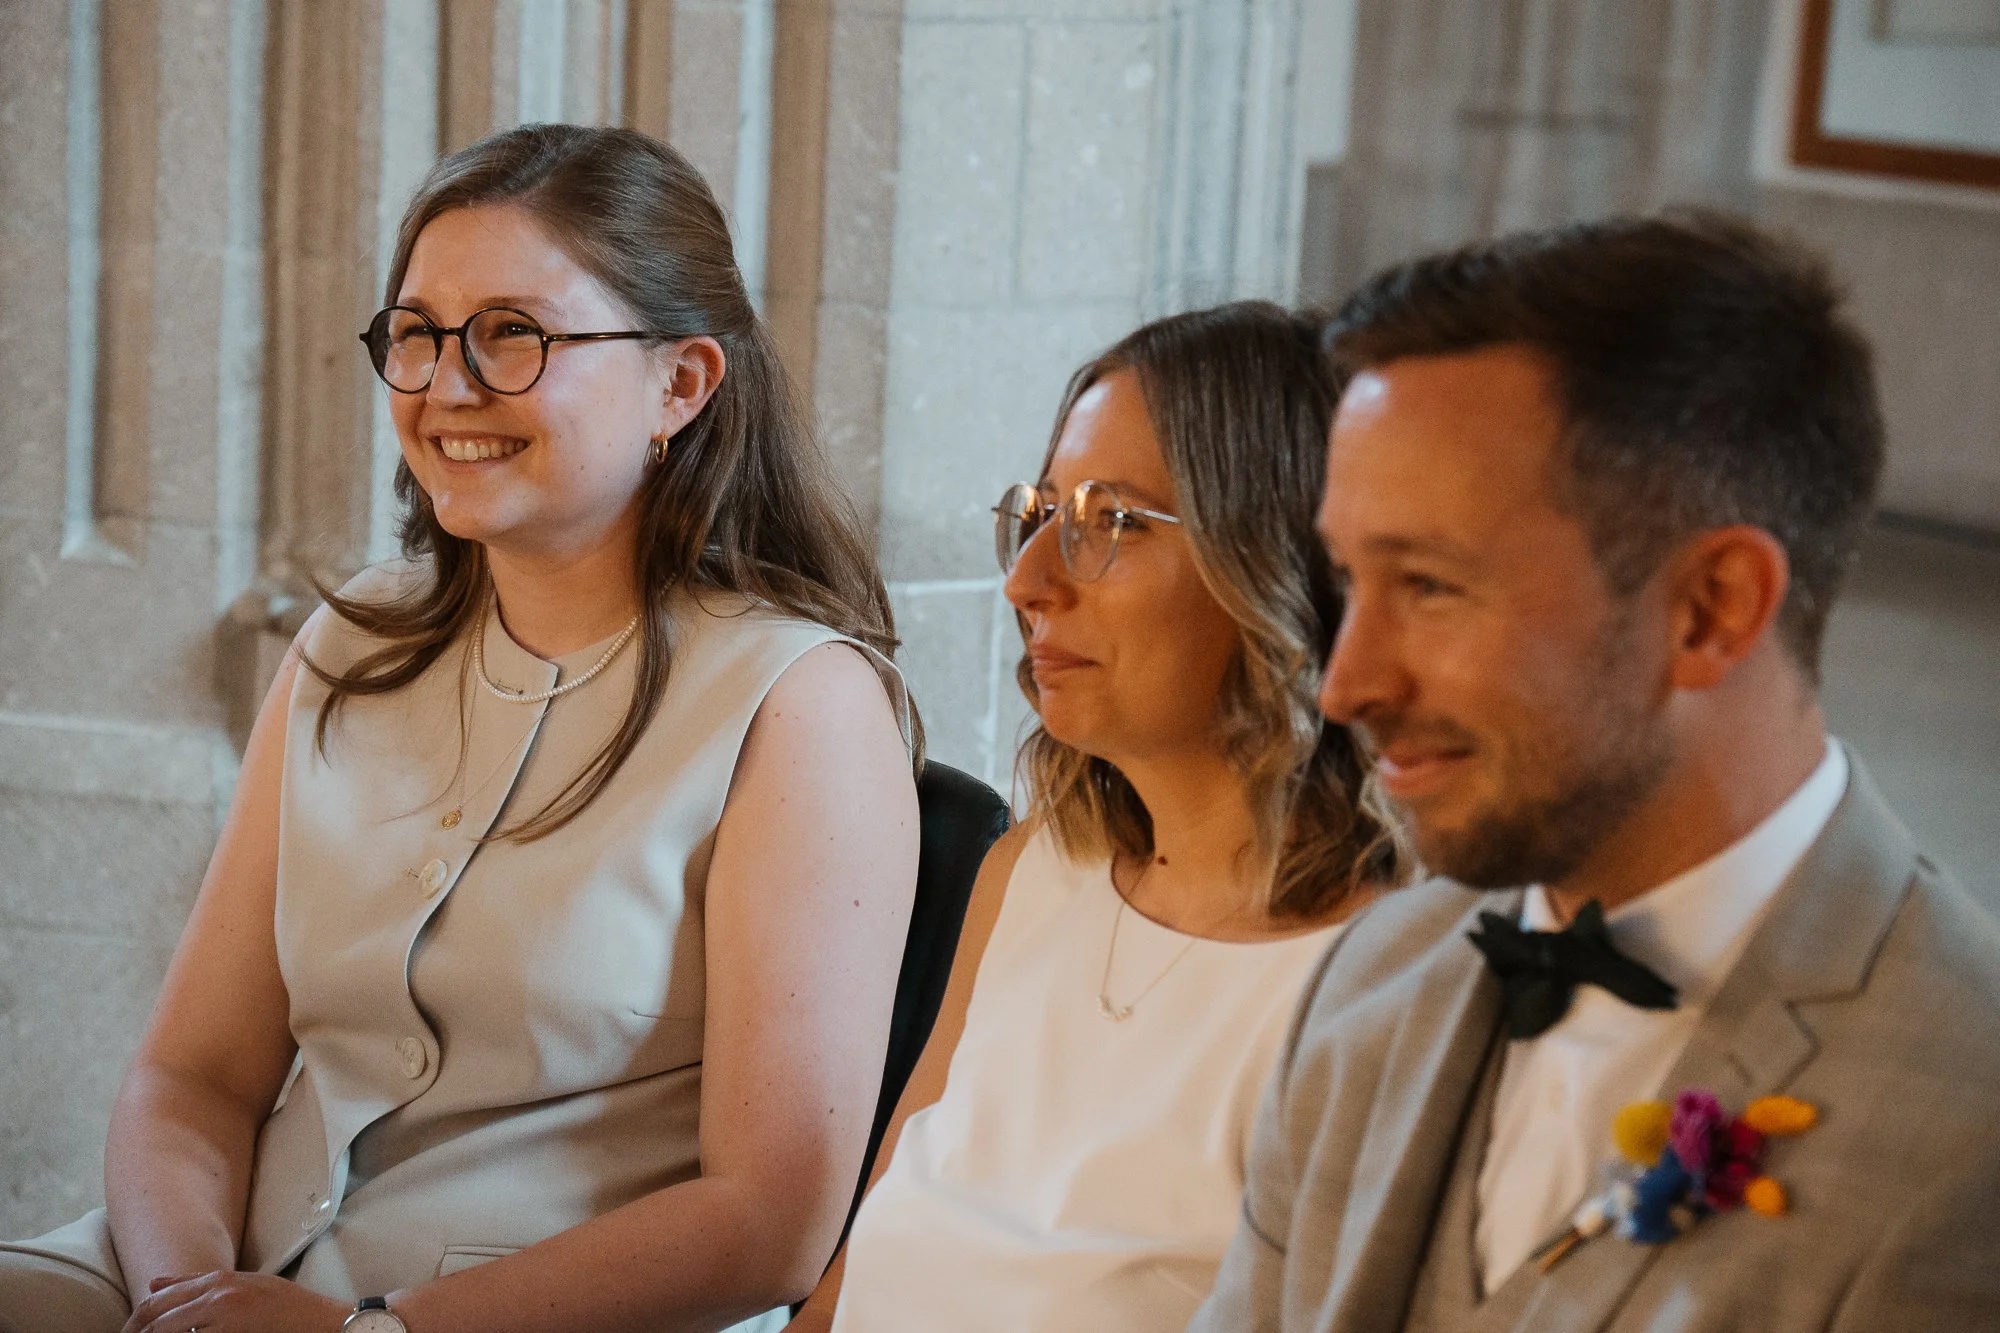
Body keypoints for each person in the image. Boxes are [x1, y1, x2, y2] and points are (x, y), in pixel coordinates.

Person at [0, 124, 920, 1333]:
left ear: (681, 383)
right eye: (419, 334)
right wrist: (184, 1296)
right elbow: (194, 1077)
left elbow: (769, 1221)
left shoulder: (799, 705)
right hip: (219, 1270)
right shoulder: (351, 641)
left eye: (511, 335)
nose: (443, 386)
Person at [1190, 213, 2000, 1333]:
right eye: (1347, 579)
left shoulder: (1965, 1129)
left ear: (1707, 610)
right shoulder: (1379, 970)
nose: (1345, 683)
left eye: (1427, 584)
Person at [788, 302, 1406, 1333]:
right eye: (1037, 514)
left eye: (1108, 523)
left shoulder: (1382, 981)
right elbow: (851, 1280)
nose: (1027, 580)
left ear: (1272, 559)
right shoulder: (1031, 868)